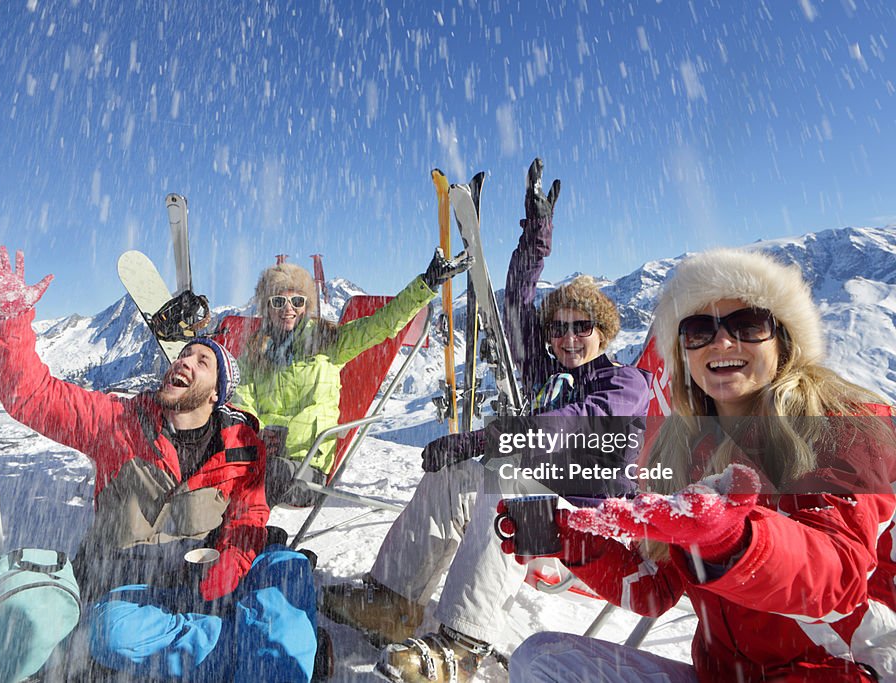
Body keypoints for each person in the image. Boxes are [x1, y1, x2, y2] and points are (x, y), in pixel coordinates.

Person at [321, 159, 652, 683]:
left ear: (604, 331)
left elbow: (567, 425)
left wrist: (484, 436)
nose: (568, 337)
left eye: (582, 327)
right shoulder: (546, 368)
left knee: (509, 480)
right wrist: (536, 236)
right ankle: (392, 598)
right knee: (454, 479)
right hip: (533, 507)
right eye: (560, 328)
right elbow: (517, 301)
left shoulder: (625, 385)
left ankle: (465, 640)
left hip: (591, 521)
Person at [507, 248, 896, 683]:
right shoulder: (688, 448)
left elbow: (837, 580)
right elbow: (656, 590)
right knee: (542, 658)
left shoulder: (842, 425)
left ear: (784, 339)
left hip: (841, 672)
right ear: (685, 354)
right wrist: (570, 537)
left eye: (748, 325)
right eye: (698, 330)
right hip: (722, 674)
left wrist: (734, 539)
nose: (722, 342)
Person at [0, 246, 318, 682]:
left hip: (205, 582)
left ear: (218, 393)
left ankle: (241, 654)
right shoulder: (117, 424)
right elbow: (32, 395)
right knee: (110, 634)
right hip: (133, 590)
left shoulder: (241, 446)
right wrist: (10, 320)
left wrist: (232, 560)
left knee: (288, 570)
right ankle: (250, 655)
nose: (184, 361)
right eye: (183, 355)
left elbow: (248, 515)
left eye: (202, 360)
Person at [232, 249, 470, 507]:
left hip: (306, 464)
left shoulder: (328, 342)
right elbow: (241, 401)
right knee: (224, 471)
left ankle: (245, 538)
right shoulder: (257, 351)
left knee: (263, 478)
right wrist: (258, 433)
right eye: (279, 301)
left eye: (297, 302)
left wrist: (426, 283)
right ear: (268, 307)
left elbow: (382, 324)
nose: (288, 309)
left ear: (306, 306)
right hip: (260, 457)